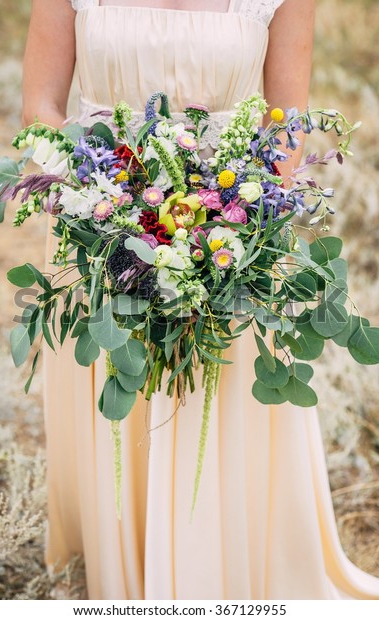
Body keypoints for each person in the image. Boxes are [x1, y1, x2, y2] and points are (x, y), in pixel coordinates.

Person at [22, 0, 379, 600]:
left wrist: (234, 236)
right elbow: (41, 106)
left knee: (219, 418)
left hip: (227, 246)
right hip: (107, 234)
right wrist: (94, 205)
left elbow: (286, 127)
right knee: (123, 405)